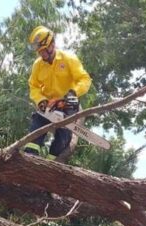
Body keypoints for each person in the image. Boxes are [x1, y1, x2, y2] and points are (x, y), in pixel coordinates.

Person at [24, 25, 92, 160]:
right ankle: (30, 156)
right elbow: (33, 86)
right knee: (37, 123)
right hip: (49, 103)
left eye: (44, 50)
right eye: (39, 51)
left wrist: (74, 92)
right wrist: (40, 100)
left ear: (52, 44)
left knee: (63, 136)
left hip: (67, 101)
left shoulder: (69, 59)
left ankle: (51, 161)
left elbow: (84, 79)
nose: (42, 53)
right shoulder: (38, 65)